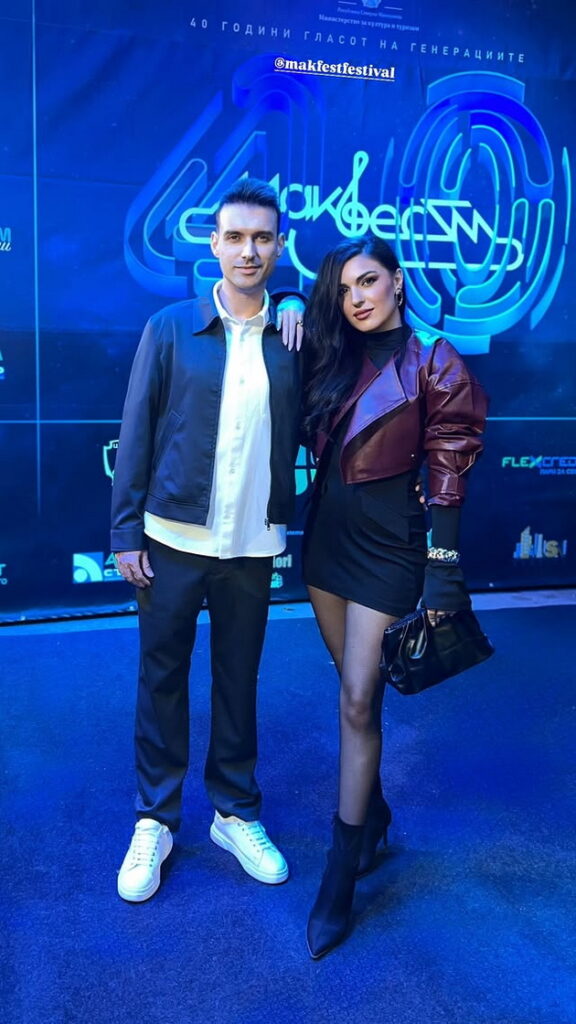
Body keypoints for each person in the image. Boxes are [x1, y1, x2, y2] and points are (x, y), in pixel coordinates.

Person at [111, 178, 304, 902]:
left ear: (279, 246)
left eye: (262, 238)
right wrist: (126, 531)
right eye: (236, 237)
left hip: (252, 544)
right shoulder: (170, 328)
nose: (249, 250)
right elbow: (137, 431)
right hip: (170, 537)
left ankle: (234, 812)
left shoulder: (295, 337)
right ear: (214, 243)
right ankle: (155, 820)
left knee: (237, 680)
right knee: (161, 678)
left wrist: (298, 305)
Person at [300, 235, 488, 958]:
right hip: (326, 542)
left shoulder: (435, 358)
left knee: (358, 700)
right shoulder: (329, 352)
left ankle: (340, 868)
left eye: (368, 281)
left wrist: (443, 567)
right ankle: (372, 813)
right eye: (344, 288)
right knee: (352, 687)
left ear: (399, 281)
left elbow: (450, 466)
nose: (356, 298)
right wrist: (287, 301)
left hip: (390, 547)